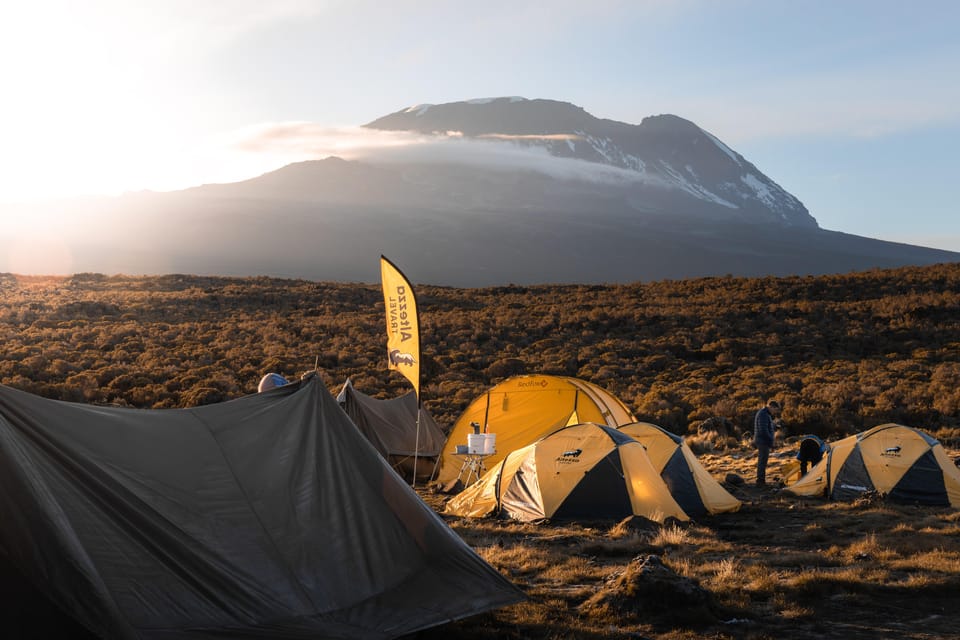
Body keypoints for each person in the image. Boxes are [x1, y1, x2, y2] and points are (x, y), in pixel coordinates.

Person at [753, 399, 782, 486]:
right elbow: (763, 430)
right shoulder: (763, 414)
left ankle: (761, 480)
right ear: (771, 407)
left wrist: (774, 426)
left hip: (763, 440)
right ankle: (760, 482)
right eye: (775, 410)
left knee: (763, 461)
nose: (775, 412)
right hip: (763, 441)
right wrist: (771, 441)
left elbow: (766, 426)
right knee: (762, 461)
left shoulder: (765, 414)